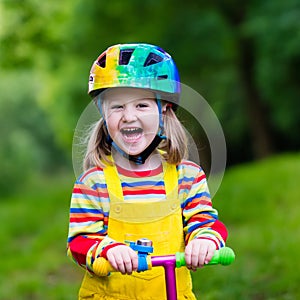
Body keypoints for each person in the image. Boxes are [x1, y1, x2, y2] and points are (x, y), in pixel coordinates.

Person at [67, 43, 228, 300]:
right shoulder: (93, 183)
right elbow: (79, 241)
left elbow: (205, 221)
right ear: (103, 114)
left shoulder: (188, 177)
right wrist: (108, 250)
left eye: (142, 105)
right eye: (117, 107)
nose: (129, 116)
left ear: (164, 110)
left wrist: (204, 241)